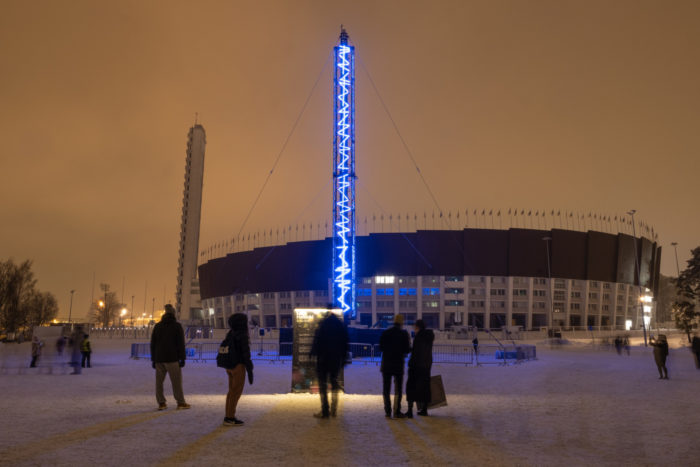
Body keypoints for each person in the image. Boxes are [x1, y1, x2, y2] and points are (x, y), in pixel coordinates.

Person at [310, 310, 349, 419]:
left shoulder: (323, 324)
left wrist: (313, 353)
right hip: (335, 359)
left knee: (323, 385)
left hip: (323, 359)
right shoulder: (340, 326)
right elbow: (345, 342)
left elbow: (317, 341)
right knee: (334, 381)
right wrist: (344, 358)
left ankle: (325, 410)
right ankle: (334, 408)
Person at [150, 304, 190, 410]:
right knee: (176, 382)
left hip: (159, 359)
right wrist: (182, 358)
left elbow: (153, 344)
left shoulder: (157, 326)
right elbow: (180, 344)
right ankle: (180, 402)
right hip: (172, 359)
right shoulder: (177, 326)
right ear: (173, 314)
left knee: (159, 383)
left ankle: (161, 403)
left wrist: (154, 359)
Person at [219, 313, 254, 426]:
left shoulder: (231, 333)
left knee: (231, 392)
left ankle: (228, 416)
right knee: (236, 392)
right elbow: (245, 353)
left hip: (229, 366)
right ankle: (230, 417)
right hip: (238, 366)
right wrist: (249, 369)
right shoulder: (242, 335)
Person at [379, 314, 410, 419]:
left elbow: (381, 347)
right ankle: (396, 411)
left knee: (386, 389)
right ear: (401, 323)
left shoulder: (386, 332)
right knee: (398, 390)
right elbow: (407, 350)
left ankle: (388, 411)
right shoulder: (403, 334)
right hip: (398, 365)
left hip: (386, 365)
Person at [405, 319, 434, 418]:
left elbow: (417, 352)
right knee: (425, 387)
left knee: (411, 387)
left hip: (416, 366)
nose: (414, 328)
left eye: (415, 326)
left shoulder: (418, 337)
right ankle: (424, 409)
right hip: (426, 366)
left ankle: (409, 411)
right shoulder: (429, 337)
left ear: (418, 327)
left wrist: (411, 363)